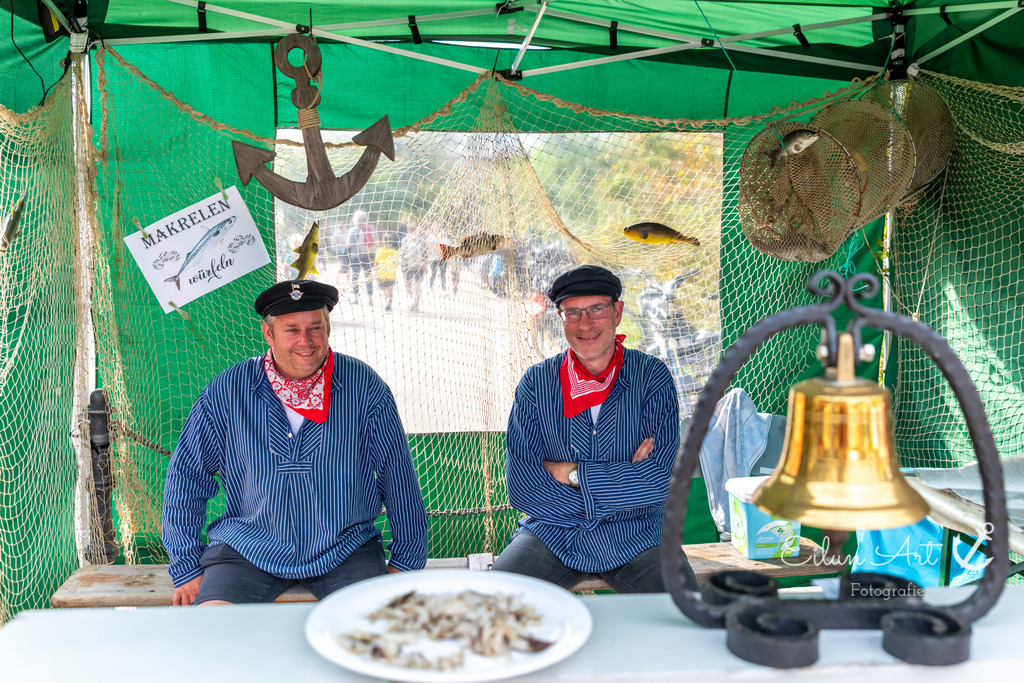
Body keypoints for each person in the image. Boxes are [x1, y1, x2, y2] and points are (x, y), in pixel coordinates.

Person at [162, 280, 428, 606]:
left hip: (346, 548)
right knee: (216, 629)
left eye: (315, 327)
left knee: (373, 630)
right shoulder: (228, 390)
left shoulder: (364, 387)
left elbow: (397, 474)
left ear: (328, 328)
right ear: (268, 334)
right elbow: (187, 476)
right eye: (292, 330)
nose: (305, 341)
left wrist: (406, 561)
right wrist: (187, 566)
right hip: (248, 545)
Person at [492, 265, 699, 593]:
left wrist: (573, 475)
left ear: (617, 311)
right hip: (553, 534)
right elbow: (524, 487)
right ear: (560, 318)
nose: (584, 324)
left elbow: (660, 482)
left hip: (638, 535)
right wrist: (624, 479)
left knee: (685, 614)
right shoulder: (536, 384)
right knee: (492, 602)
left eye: (596, 310)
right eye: (572, 312)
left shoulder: (651, 377)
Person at [375, 233, 398, 312]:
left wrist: (375, 273)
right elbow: (396, 263)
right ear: (391, 243)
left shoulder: (379, 251)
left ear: (382, 242)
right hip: (391, 274)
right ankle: (390, 304)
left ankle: (386, 300)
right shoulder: (393, 252)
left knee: (382, 289)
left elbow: (376, 264)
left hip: (382, 274)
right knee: (390, 290)